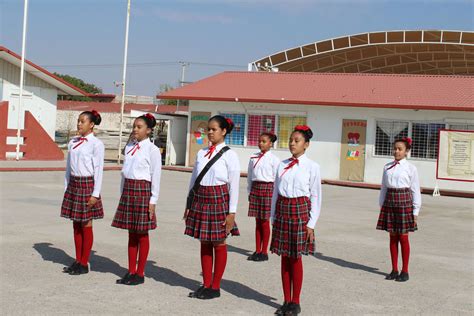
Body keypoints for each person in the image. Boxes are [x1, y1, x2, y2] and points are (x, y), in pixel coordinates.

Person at [184, 115, 240, 300]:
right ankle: (206, 284)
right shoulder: (201, 153)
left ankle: (215, 287)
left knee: (219, 242)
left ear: (223, 131)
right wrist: (189, 204)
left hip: (219, 201)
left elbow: (234, 185)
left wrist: (231, 212)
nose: (209, 132)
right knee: (204, 241)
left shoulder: (230, 155)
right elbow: (194, 180)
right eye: (208, 129)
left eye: (214, 129)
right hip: (201, 199)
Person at [270, 125, 322, 315]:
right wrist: (273, 216)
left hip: (300, 213)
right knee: (284, 256)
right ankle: (285, 300)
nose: (292, 143)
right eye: (291, 140)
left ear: (306, 144)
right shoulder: (281, 164)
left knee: (295, 258)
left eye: (297, 140)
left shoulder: (312, 167)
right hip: (283, 211)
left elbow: (316, 196)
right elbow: (275, 191)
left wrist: (311, 223)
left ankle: (295, 302)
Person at [112, 113, 162, 286]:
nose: (135, 130)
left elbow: (156, 176)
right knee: (131, 233)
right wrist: (122, 192)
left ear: (148, 130)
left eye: (139, 127)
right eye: (134, 126)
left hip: (142, 192)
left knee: (141, 233)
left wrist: (153, 200)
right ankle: (130, 270)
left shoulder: (152, 150)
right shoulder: (130, 147)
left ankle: (140, 273)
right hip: (128, 190)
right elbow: (125, 172)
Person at [61, 110, 105, 275]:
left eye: (83, 121)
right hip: (74, 184)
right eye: (78, 121)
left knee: (86, 223)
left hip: (87, 185)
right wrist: (67, 187)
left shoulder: (96, 144)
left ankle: (84, 262)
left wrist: (95, 193)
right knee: (76, 224)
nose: (79, 124)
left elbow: (98, 170)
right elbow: (68, 167)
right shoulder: (73, 142)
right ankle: (77, 259)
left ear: (92, 124)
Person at [377, 137, 421, 282]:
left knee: (403, 237)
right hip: (390, 202)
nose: (396, 151)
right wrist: (381, 204)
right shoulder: (387, 167)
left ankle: (405, 271)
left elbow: (415, 190)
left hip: (404, 203)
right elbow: (383, 187)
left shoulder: (411, 168)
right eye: (395, 148)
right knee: (392, 237)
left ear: (407, 151)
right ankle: (394, 269)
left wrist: (415, 211)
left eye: (400, 149)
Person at [247, 132, 280, 262]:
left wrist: (275, 196)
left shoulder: (274, 159)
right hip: (256, 188)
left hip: (268, 189)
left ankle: (264, 251)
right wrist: (250, 191)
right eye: (259, 141)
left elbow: (277, 179)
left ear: (270, 143)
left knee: (265, 221)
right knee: (257, 221)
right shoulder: (253, 157)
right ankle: (257, 250)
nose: (261, 143)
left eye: (264, 141)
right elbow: (250, 175)